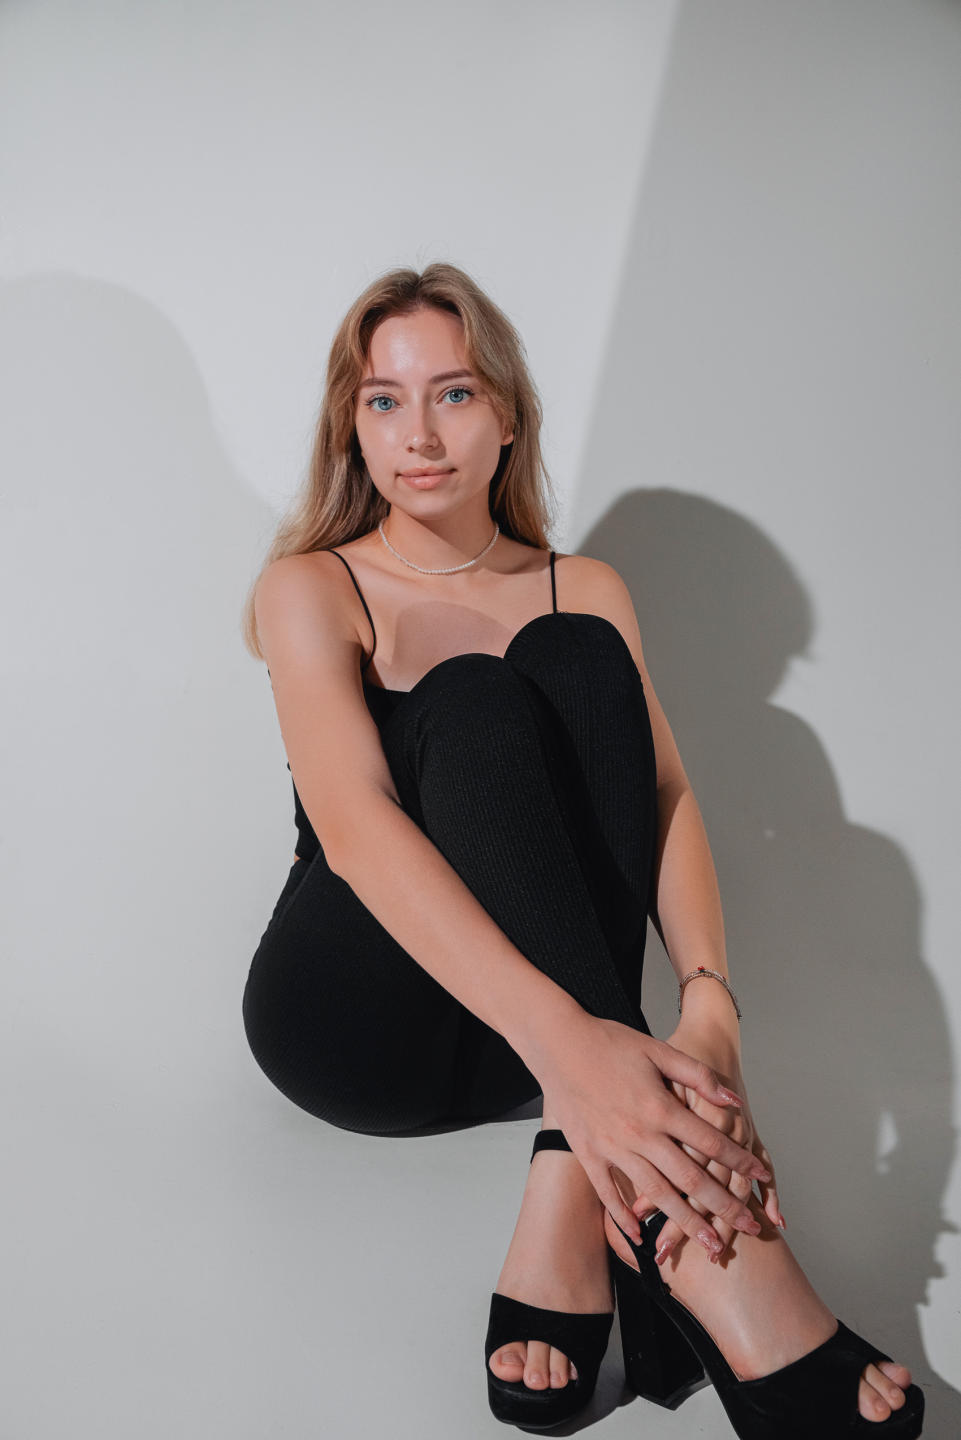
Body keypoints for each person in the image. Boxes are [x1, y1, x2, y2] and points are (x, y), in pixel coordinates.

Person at [240, 263, 923, 1438]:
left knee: (577, 657)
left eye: (454, 394)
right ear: (351, 426)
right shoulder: (312, 587)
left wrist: (708, 1009)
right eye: (384, 400)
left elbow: (663, 794)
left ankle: (576, 1181)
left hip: (534, 1049)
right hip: (363, 1016)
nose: (418, 435)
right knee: (470, 699)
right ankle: (717, 1254)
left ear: (507, 416)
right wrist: (580, 1046)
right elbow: (353, 830)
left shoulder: (583, 588)